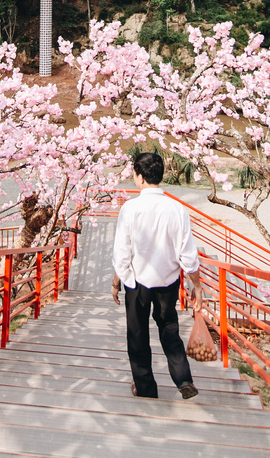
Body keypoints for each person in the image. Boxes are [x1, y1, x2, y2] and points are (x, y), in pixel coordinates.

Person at [111, 151, 203, 400]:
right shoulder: (177, 209)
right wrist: (197, 286)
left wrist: (117, 281)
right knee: (169, 329)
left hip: (137, 283)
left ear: (139, 177)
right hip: (168, 282)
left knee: (138, 335)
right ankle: (183, 378)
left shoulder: (130, 208)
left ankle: (145, 388)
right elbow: (188, 253)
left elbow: (122, 251)